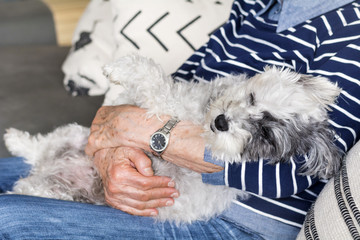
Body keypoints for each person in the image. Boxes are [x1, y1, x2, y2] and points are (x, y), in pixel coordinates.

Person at [1, 0, 359, 239]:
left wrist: (148, 133)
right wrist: (110, 145)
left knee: (7, 220)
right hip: (160, 170)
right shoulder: (259, 4)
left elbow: (295, 170)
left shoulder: (352, 29)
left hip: (228, 221)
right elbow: (180, 83)